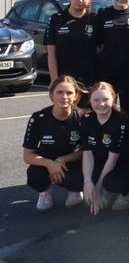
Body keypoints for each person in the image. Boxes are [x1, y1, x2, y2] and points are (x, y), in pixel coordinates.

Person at [80, 82, 129, 214]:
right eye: (96, 100)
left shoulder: (121, 121)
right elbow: (87, 154)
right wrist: (87, 181)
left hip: (125, 165)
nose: (101, 104)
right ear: (90, 100)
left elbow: (112, 160)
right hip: (105, 164)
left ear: (114, 99)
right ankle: (110, 189)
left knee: (110, 182)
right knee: (81, 176)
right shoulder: (86, 120)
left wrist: (97, 189)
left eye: (106, 99)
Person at [23, 75, 84, 210]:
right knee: (34, 175)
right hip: (46, 161)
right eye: (59, 92)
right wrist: (50, 164)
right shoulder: (38, 118)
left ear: (76, 96)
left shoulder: (81, 118)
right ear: (51, 95)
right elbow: (27, 156)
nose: (64, 97)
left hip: (70, 162)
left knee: (82, 175)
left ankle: (75, 190)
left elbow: (85, 151)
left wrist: (62, 160)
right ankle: (45, 192)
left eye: (69, 93)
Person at [45, 0, 100, 108]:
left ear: (89, 0)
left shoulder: (95, 20)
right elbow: (51, 53)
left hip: (90, 80)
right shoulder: (56, 19)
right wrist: (54, 81)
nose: (80, 0)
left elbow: (103, 49)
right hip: (65, 81)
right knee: (67, 116)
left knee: (88, 116)